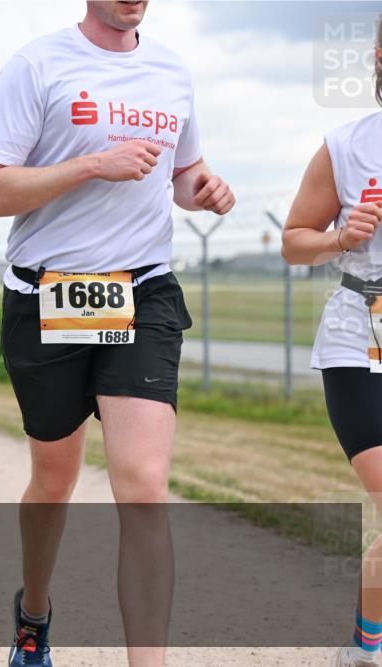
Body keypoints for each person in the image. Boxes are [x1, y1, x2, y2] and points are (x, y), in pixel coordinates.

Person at [0, 2, 235, 665]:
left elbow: (182, 175)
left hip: (142, 291)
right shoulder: (38, 66)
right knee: (54, 480)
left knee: (143, 484)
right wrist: (92, 164)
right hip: (46, 294)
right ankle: (33, 613)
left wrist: (202, 188)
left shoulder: (172, 70)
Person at [281, 17, 381, 667]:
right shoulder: (347, 145)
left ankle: (366, 644)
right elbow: (294, 240)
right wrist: (342, 237)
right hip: (359, 339)